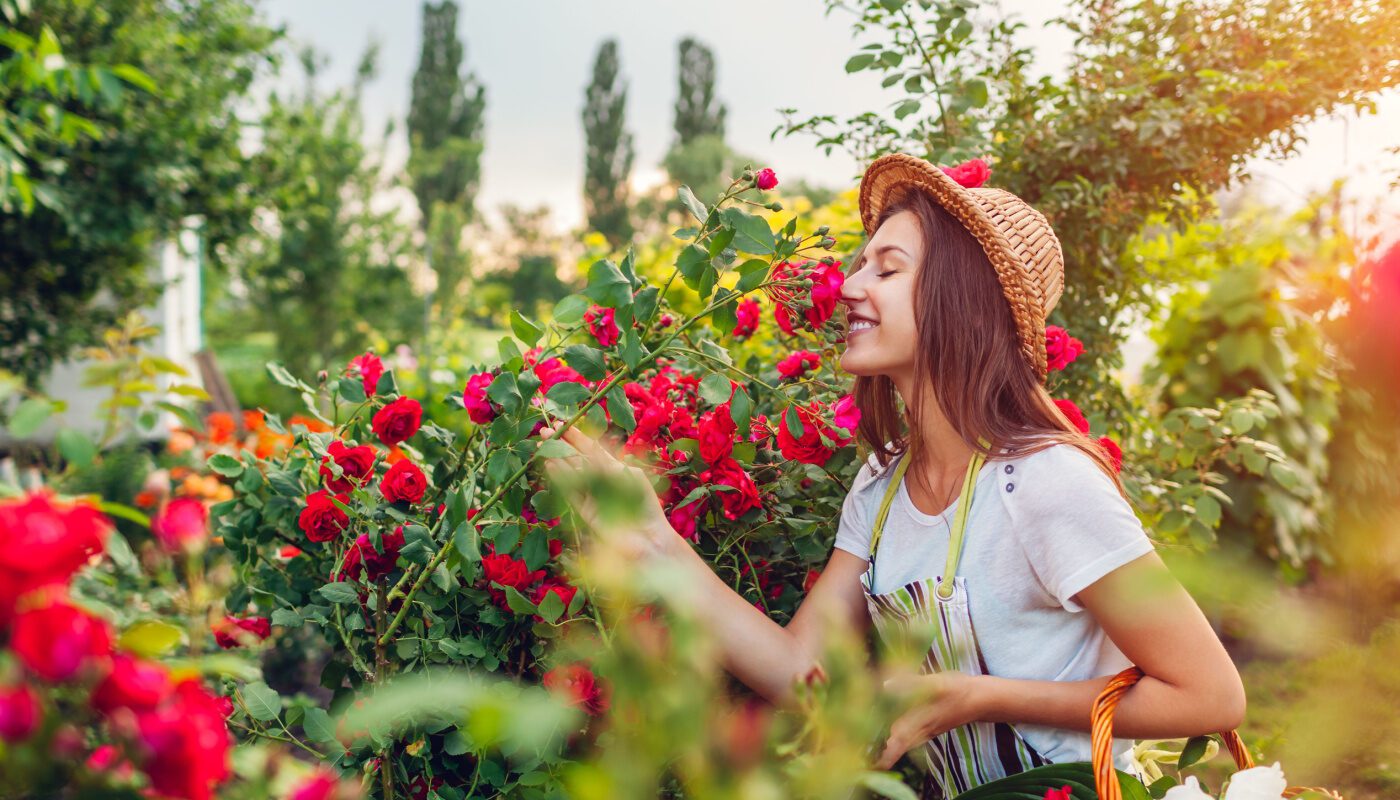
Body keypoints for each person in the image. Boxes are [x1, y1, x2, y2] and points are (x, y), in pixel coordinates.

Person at [540, 153, 1245, 798]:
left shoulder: (1046, 484)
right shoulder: (880, 490)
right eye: (859, 265)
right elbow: (799, 671)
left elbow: (1211, 695)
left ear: (958, 296)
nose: (849, 285)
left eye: (887, 267)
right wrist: (657, 541)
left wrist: (987, 697)